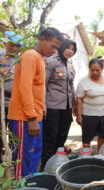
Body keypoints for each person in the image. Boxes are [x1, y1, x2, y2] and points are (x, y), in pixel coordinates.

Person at [8, 27, 63, 178]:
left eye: (56, 48)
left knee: (33, 155)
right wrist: (31, 117)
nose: (54, 51)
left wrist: (40, 109)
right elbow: (25, 88)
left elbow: (37, 87)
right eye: (53, 46)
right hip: (24, 117)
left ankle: (32, 183)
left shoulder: (40, 58)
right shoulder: (30, 56)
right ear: (42, 39)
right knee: (23, 159)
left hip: (34, 116)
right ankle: (22, 186)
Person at [41, 39, 77, 170]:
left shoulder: (70, 65)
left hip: (66, 107)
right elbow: (43, 85)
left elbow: (71, 86)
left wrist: (74, 104)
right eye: (67, 48)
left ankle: (58, 166)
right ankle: (45, 167)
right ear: (61, 48)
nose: (70, 51)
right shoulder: (50, 62)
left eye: (72, 49)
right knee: (50, 138)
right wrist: (43, 104)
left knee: (62, 137)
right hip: (52, 107)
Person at [76, 58, 104, 152]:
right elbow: (79, 99)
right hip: (88, 115)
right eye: (92, 70)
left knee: (103, 135)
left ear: (102, 69)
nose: (95, 72)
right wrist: (79, 116)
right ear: (89, 69)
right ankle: (86, 156)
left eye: (97, 70)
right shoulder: (83, 81)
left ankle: (99, 154)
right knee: (87, 138)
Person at [0, 31, 23, 163]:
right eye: (12, 45)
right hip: (1, 103)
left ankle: (14, 160)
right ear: (5, 43)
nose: (15, 48)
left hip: (16, 104)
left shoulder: (22, 60)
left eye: (18, 46)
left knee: (15, 134)